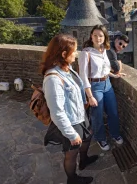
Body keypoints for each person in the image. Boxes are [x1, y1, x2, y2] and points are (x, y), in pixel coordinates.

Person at [41, 34, 97, 184]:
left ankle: (84, 160)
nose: (77, 54)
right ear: (64, 54)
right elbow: (57, 112)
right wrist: (71, 134)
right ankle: (72, 179)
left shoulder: (67, 69)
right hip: (71, 122)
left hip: (79, 115)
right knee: (71, 153)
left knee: (88, 137)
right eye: (74, 51)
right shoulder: (53, 78)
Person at [78, 25, 123, 151]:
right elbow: (83, 76)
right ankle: (100, 138)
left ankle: (115, 134)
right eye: (95, 35)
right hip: (95, 86)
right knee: (97, 115)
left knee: (113, 112)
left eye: (101, 35)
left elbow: (105, 69)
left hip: (107, 84)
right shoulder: (86, 53)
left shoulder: (104, 50)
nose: (98, 38)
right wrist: (90, 96)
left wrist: (114, 75)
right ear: (91, 36)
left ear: (105, 37)